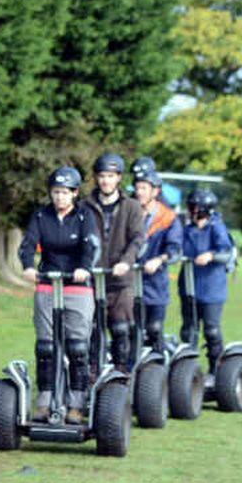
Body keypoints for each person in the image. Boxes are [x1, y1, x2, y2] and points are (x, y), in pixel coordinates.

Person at [17, 166, 100, 424]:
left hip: (77, 286)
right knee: (46, 347)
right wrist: (29, 267)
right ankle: (45, 401)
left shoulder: (85, 216)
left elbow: (91, 246)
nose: (59, 198)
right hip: (48, 284)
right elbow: (28, 243)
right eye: (55, 192)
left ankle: (76, 404)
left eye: (64, 192)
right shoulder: (41, 215)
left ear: (75, 193)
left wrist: (84, 269)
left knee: (76, 347)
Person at [83, 153, 146, 369]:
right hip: (91, 281)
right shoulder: (84, 207)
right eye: (102, 176)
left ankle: (121, 377)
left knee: (120, 330)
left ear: (118, 178)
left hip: (120, 282)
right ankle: (91, 377)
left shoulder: (131, 206)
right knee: (92, 331)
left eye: (110, 176)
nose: (105, 181)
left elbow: (138, 238)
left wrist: (126, 262)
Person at [179, 188, 233, 373]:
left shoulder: (216, 227)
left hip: (211, 289)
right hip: (189, 286)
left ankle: (215, 371)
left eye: (194, 207)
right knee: (189, 331)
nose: (191, 210)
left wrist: (210, 255)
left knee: (211, 330)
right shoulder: (187, 230)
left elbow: (226, 253)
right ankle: (188, 373)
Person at [132, 168, 182, 349]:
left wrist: (159, 260)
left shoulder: (168, 218)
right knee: (132, 331)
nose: (139, 192)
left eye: (144, 188)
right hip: (129, 283)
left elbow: (175, 249)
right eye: (137, 188)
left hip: (155, 284)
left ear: (155, 191)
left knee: (153, 329)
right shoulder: (128, 214)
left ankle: (159, 368)